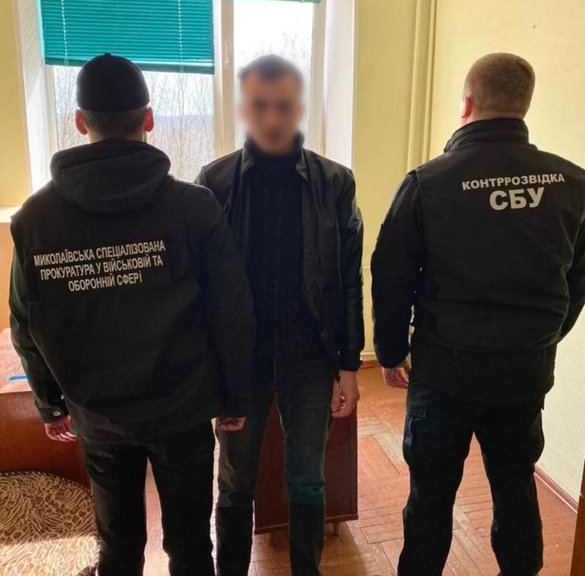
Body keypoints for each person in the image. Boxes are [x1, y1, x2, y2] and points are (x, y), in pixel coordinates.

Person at [9, 53, 255, 576]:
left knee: (117, 549)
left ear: (81, 122)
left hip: (98, 418)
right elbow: (232, 313)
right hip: (183, 411)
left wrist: (49, 404)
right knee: (191, 547)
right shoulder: (193, 208)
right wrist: (235, 397)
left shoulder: (35, 219)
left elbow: (26, 323)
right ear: (148, 118)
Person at [371, 52, 585, 576]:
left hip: (444, 373)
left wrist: (391, 352)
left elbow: (391, 273)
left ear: (466, 104)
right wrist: (547, 335)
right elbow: (577, 278)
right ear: (524, 105)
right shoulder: (573, 184)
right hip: (524, 372)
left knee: (430, 495)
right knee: (515, 488)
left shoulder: (429, 182)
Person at [197, 54, 364, 576]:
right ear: (244, 109)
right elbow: (202, 288)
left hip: (310, 358)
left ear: (300, 109)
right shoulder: (215, 181)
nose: (272, 117)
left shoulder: (334, 182)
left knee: (308, 478)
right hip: (241, 362)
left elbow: (349, 280)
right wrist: (210, 370)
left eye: (284, 105)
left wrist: (350, 364)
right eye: (260, 105)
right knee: (234, 481)